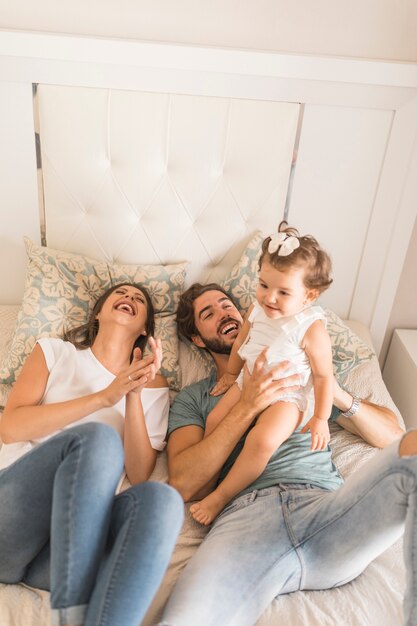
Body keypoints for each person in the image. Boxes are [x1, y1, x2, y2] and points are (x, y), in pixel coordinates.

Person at [158, 282, 417, 626]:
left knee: (411, 453)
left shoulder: (299, 372)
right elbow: (184, 483)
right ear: (198, 340)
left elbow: (392, 435)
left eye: (227, 304)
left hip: (325, 508)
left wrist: (331, 390)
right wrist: (247, 404)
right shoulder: (196, 398)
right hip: (244, 521)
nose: (225, 313)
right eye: (209, 314)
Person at [0, 282, 183, 626]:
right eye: (121, 294)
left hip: (65, 553)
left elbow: (140, 472)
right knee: (98, 439)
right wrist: (104, 397)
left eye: (139, 300)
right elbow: (10, 427)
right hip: (11, 524)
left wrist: (132, 394)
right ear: (98, 312)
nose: (129, 298)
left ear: (144, 329)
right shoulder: (55, 352)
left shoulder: (154, 389)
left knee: (162, 500)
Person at [190, 222, 334, 525]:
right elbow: (242, 341)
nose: (269, 297)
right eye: (264, 285)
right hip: (247, 380)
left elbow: (323, 377)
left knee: (262, 440)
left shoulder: (311, 327)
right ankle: (210, 478)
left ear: (309, 296)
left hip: (287, 395)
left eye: (283, 292)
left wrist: (320, 417)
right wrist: (231, 375)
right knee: (215, 419)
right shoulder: (256, 310)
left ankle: (221, 496)